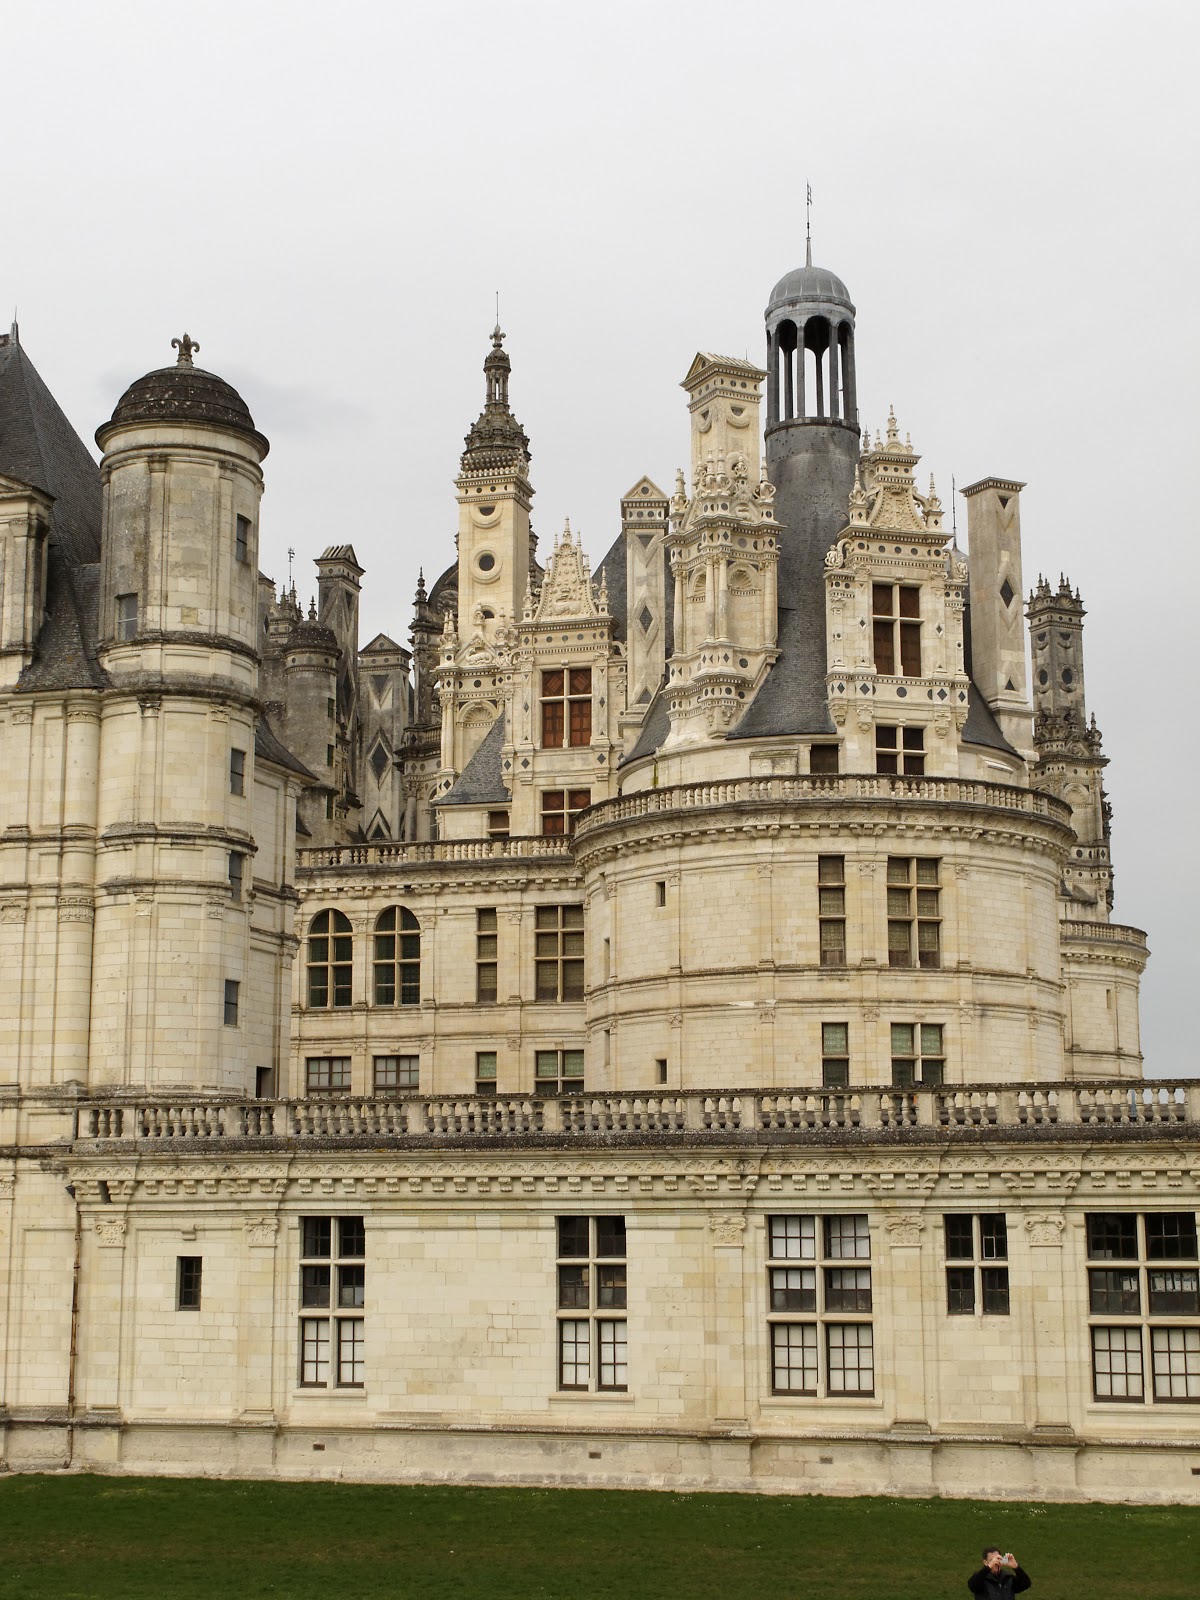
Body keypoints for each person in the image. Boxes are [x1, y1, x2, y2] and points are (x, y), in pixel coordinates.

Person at [967, 1547, 1031, 1599]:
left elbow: (1026, 1584)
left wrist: (1016, 1567)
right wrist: (988, 1567)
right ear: (985, 1562)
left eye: (998, 1559)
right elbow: (972, 1585)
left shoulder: (1008, 1578)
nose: (996, 1562)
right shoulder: (980, 1579)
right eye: (992, 1560)